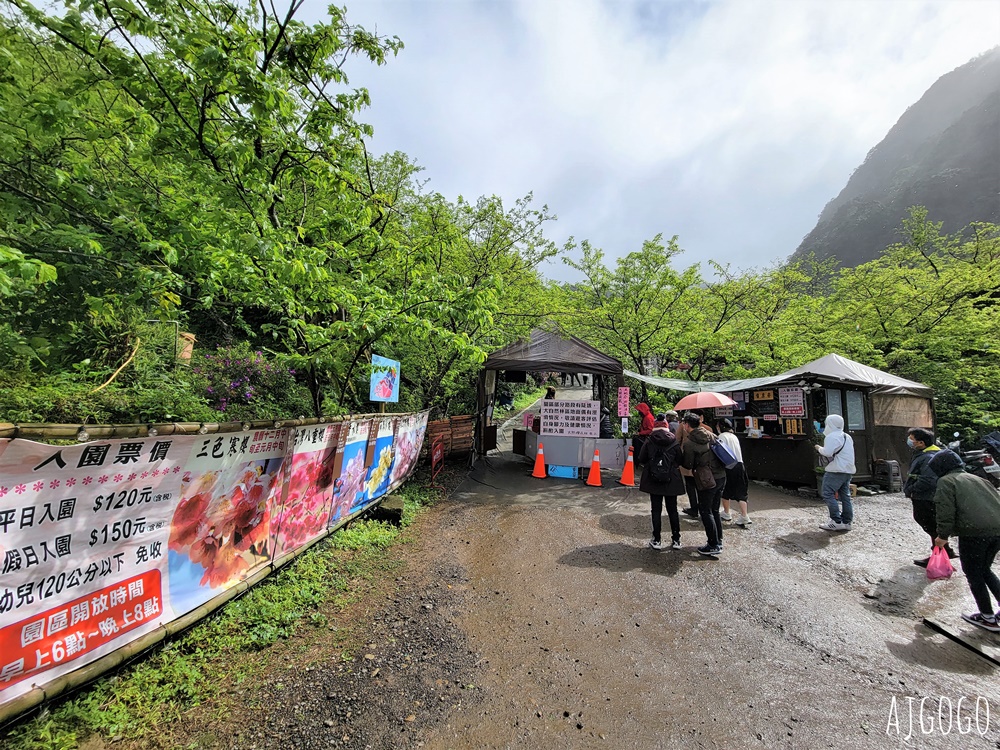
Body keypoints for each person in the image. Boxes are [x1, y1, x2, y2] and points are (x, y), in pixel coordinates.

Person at [929, 449, 1000, 633]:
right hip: (997, 531)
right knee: (984, 570)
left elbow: (945, 511)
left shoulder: (946, 481)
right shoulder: (978, 479)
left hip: (974, 533)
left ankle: (987, 617)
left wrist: (942, 536)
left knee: (974, 573)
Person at [902, 427, 951, 567]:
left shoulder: (929, 456)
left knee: (931, 526)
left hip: (926, 497)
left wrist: (912, 490)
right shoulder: (924, 453)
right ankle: (944, 552)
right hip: (923, 496)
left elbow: (928, 480)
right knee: (931, 526)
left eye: (912, 439)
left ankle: (939, 557)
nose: (909, 442)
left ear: (921, 442)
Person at [680, 413, 727, 556]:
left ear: (687, 425)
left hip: (707, 480)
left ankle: (713, 544)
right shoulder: (711, 435)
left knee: (705, 511)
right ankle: (718, 540)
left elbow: (688, 464)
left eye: (684, 424)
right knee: (714, 510)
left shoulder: (689, 443)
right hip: (720, 476)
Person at [639, 418, 685, 550]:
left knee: (656, 510)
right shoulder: (674, 441)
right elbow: (680, 460)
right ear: (666, 426)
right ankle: (676, 540)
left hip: (654, 480)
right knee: (673, 510)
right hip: (671, 480)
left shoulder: (649, 440)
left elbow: (641, 458)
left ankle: (657, 540)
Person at [815, 414, 856, 531]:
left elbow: (827, 452)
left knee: (827, 493)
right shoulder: (847, 436)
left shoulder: (831, 436)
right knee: (845, 496)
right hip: (848, 470)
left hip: (836, 470)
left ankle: (836, 521)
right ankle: (847, 522)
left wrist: (818, 448)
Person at [717, 419, 751, 527]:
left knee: (725, 490)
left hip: (729, 466)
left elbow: (720, 452)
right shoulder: (734, 436)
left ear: (721, 426)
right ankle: (744, 516)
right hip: (740, 465)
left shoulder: (722, 436)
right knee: (741, 491)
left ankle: (727, 513)